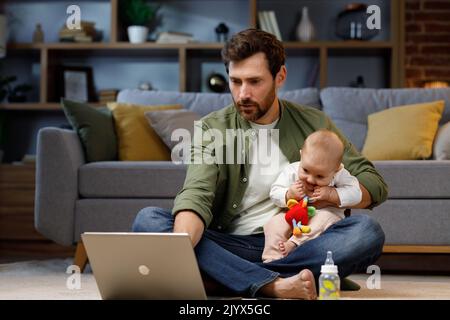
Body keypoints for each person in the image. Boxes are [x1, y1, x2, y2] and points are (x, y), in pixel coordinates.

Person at [132, 28, 387, 300]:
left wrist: (331, 196)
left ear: (280, 77)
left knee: (366, 232)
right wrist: (179, 249)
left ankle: (221, 278)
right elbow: (196, 196)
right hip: (229, 245)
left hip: (295, 245)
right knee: (149, 220)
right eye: (235, 81)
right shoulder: (211, 129)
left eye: (254, 81)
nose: (243, 94)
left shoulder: (315, 124)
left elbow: (374, 184)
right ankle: (271, 285)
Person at [262, 129, 362, 263]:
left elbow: (356, 194)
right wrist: (289, 194)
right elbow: (274, 192)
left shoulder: (340, 174)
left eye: (320, 176)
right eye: (305, 170)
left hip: (323, 216)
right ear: (301, 155)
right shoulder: (292, 170)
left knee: (323, 219)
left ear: (336, 169)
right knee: (273, 224)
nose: (310, 179)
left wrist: (332, 194)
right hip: (294, 217)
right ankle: (272, 260)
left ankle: (293, 244)